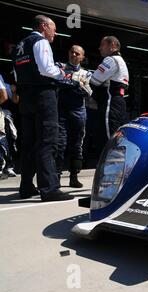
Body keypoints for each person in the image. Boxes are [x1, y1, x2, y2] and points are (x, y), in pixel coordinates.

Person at [12, 15, 74, 201]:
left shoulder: (19, 46)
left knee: (30, 142)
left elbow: (16, 74)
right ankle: (49, 189)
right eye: (53, 28)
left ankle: (26, 187)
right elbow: (47, 69)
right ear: (44, 26)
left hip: (26, 97)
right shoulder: (40, 41)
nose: (55, 32)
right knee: (48, 141)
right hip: (43, 96)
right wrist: (62, 73)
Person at [56, 45, 92, 188]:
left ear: (82, 57)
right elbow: (56, 81)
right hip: (61, 111)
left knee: (77, 145)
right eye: (71, 52)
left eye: (77, 53)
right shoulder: (60, 66)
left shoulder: (87, 73)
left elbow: (88, 92)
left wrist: (69, 84)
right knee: (59, 144)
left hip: (79, 111)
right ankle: (56, 178)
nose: (74, 55)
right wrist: (77, 84)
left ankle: (74, 176)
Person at [90, 36, 129, 148]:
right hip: (120, 102)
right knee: (118, 137)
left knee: (108, 138)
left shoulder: (111, 59)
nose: (99, 48)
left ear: (112, 45)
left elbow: (94, 80)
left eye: (102, 45)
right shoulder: (121, 61)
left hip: (110, 103)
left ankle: (108, 165)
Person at [0, 73, 19, 178]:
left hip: (4, 113)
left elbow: (15, 100)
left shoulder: (5, 85)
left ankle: (9, 166)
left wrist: (15, 91)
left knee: (9, 137)